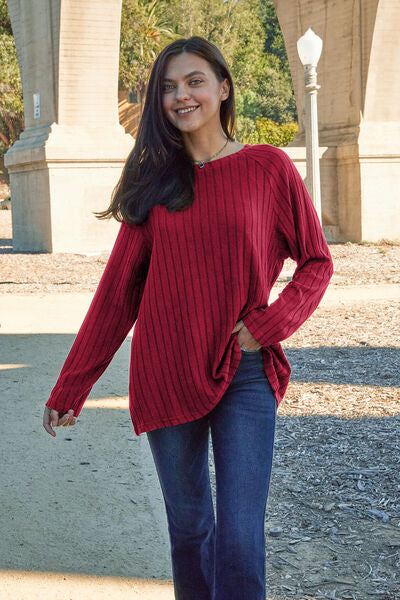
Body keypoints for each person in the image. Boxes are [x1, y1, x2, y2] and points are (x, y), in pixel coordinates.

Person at [43, 36, 334, 599]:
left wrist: (268, 327)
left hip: (244, 371)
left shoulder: (267, 168)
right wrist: (72, 385)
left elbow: (317, 261)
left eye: (194, 81)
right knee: (190, 529)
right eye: (169, 87)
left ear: (223, 88)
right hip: (165, 371)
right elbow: (117, 294)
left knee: (241, 536)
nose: (182, 96)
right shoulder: (154, 181)